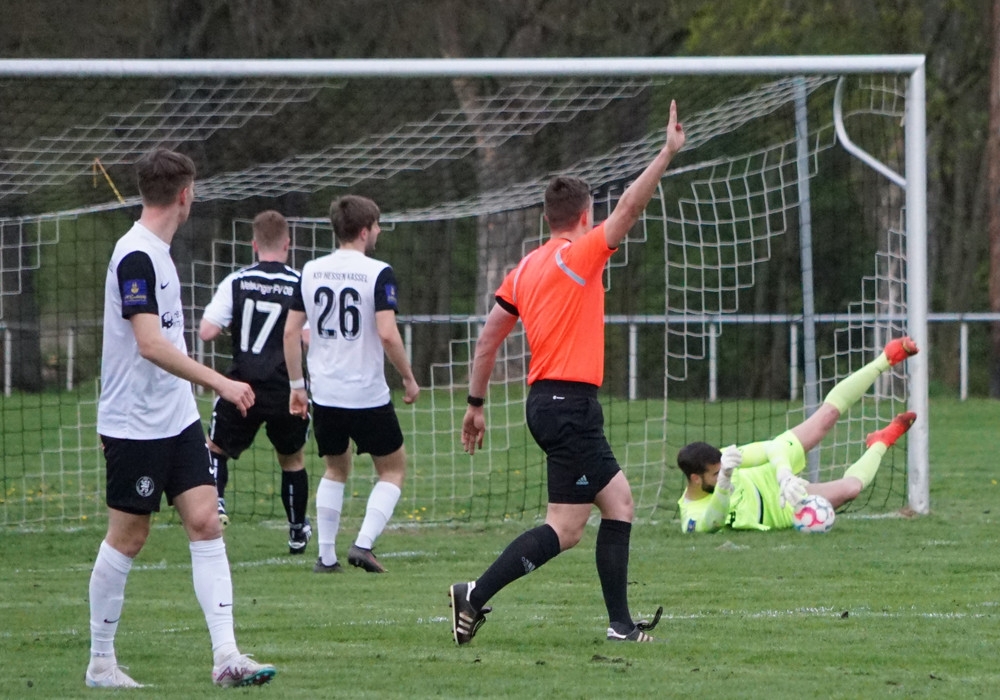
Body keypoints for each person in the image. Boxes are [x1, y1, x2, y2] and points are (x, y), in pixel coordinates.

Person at [451, 100, 686, 645]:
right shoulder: (578, 256)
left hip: (549, 403)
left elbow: (488, 338)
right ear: (585, 216)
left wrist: (476, 404)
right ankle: (474, 594)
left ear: (546, 217)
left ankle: (620, 623)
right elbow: (630, 207)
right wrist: (666, 153)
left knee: (619, 502)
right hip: (568, 405)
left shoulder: (526, 268)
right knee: (565, 527)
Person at [89, 148, 275, 688]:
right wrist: (220, 382)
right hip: (134, 424)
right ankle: (100, 663)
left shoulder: (160, 253)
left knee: (205, 520)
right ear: (185, 195)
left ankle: (227, 656)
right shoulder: (136, 256)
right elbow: (149, 344)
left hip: (176, 418)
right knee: (129, 537)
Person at [283, 194, 420, 575]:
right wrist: (408, 378)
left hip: (326, 392)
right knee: (393, 470)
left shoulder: (310, 270)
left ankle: (326, 557)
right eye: (376, 226)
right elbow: (388, 334)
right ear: (364, 231)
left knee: (335, 469)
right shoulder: (378, 272)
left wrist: (297, 385)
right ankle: (363, 543)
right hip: (366, 392)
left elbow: (291, 332)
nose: (378, 232)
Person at [676, 336, 919, 533]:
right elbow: (713, 522)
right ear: (695, 479)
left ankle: (885, 359)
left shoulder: (727, 459)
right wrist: (725, 481)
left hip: (773, 475)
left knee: (826, 417)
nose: (723, 474)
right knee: (851, 489)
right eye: (716, 474)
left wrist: (783, 475)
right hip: (781, 508)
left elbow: (772, 447)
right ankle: (880, 442)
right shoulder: (691, 516)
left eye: (723, 470)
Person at [199, 210, 312, 555]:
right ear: (287, 244)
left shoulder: (236, 281)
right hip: (286, 389)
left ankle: (217, 502)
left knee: (216, 448)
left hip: (241, 387)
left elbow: (206, 331)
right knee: (292, 460)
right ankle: (297, 530)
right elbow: (308, 338)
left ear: (254, 245)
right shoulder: (300, 282)